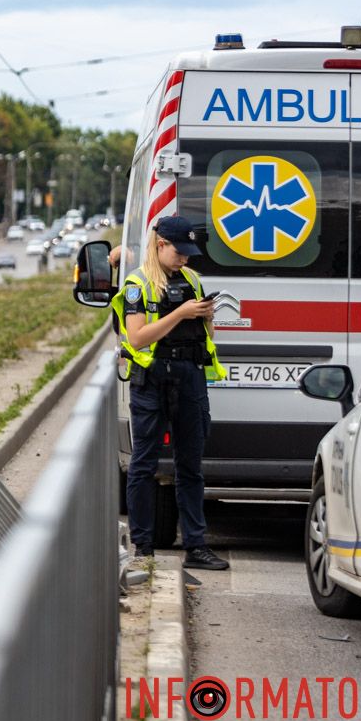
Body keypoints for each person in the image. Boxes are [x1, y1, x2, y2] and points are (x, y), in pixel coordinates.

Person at [110, 216, 230, 571]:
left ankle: (197, 546)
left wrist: (206, 315)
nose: (185, 260)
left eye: (189, 253)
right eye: (179, 252)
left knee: (191, 466)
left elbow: (206, 333)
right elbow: (137, 338)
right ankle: (143, 548)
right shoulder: (137, 284)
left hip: (189, 377)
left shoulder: (192, 280)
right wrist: (180, 313)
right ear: (160, 245)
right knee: (143, 464)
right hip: (152, 378)